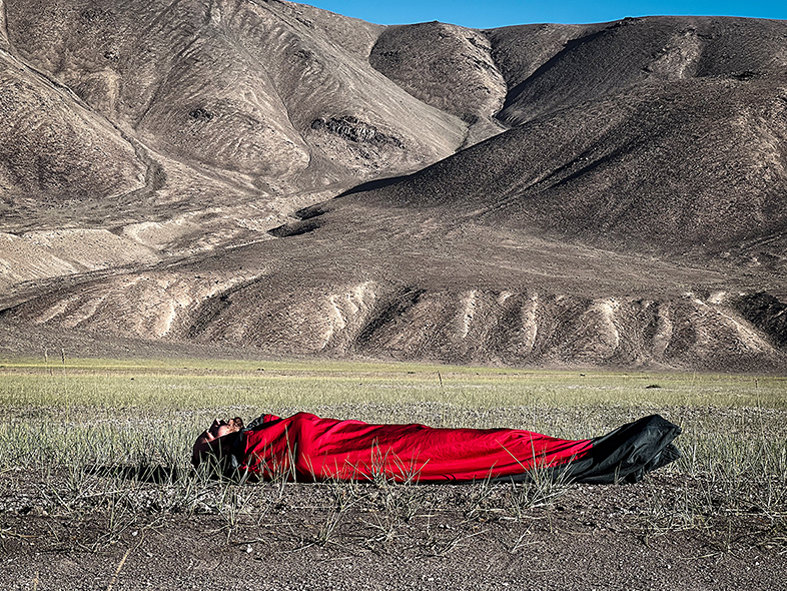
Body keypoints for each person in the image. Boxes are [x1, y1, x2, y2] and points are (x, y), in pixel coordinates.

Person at [192, 412, 681, 484]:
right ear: (221, 452)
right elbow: (309, 450)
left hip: (384, 438)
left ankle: (595, 449)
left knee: (485, 441)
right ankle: (599, 453)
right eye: (211, 434)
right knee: (479, 448)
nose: (215, 423)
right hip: (384, 451)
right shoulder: (258, 451)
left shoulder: (263, 431)